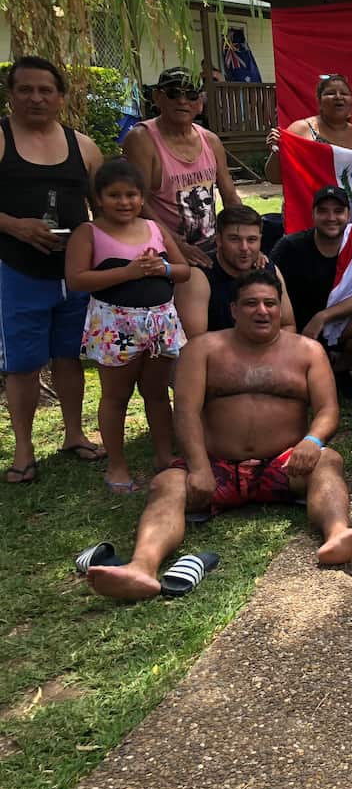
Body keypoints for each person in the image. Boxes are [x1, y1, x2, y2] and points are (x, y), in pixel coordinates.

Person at [86, 271, 352, 600]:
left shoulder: (308, 351)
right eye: (251, 303)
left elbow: (328, 410)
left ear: (280, 309)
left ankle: (337, 534)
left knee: (328, 460)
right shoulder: (203, 349)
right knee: (166, 484)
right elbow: (186, 411)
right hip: (217, 466)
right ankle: (141, 566)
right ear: (234, 310)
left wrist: (312, 441)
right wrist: (198, 467)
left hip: (284, 464)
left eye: (270, 303)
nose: (262, 311)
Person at [0, 56, 106, 484]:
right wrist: (15, 227)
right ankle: (23, 449)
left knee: (68, 356)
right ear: (11, 95)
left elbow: (106, 207)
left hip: (72, 271)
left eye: (45, 90)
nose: (35, 98)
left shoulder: (83, 146)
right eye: (25, 89)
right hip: (15, 269)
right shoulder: (3, 138)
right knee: (23, 364)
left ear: (60, 97)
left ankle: (74, 433)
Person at [64, 159, 189, 492]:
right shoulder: (88, 233)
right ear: (99, 198)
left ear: (142, 197)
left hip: (160, 322)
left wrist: (160, 268)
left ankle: (164, 456)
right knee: (116, 397)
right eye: (114, 195)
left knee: (158, 393)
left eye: (131, 195)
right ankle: (117, 465)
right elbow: (76, 279)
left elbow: (183, 270)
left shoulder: (154, 228)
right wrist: (128, 272)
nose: (124, 202)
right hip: (115, 325)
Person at [268, 185, 352, 399]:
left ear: (348, 215)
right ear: (313, 214)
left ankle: (339, 370)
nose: (331, 217)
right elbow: (268, 283)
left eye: (338, 211)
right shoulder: (290, 246)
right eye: (323, 211)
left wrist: (323, 316)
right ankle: (308, 370)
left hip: (338, 326)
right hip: (297, 329)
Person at [124, 67, 240, 268]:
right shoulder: (142, 139)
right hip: (161, 250)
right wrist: (175, 245)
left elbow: (230, 197)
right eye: (174, 93)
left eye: (191, 94)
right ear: (158, 97)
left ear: (200, 103)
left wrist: (243, 238)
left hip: (210, 245)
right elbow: (138, 203)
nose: (182, 101)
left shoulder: (211, 141)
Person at [174, 204, 296, 338]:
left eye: (251, 240)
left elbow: (288, 325)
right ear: (219, 240)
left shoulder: (268, 268)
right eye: (235, 239)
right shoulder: (198, 277)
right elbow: (196, 341)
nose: (244, 247)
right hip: (215, 356)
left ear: (260, 240)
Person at [266, 73, 352, 181]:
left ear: (351, 102)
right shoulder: (301, 129)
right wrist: (276, 151)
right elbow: (275, 178)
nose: (338, 97)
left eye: (344, 93)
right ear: (319, 101)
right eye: (330, 93)